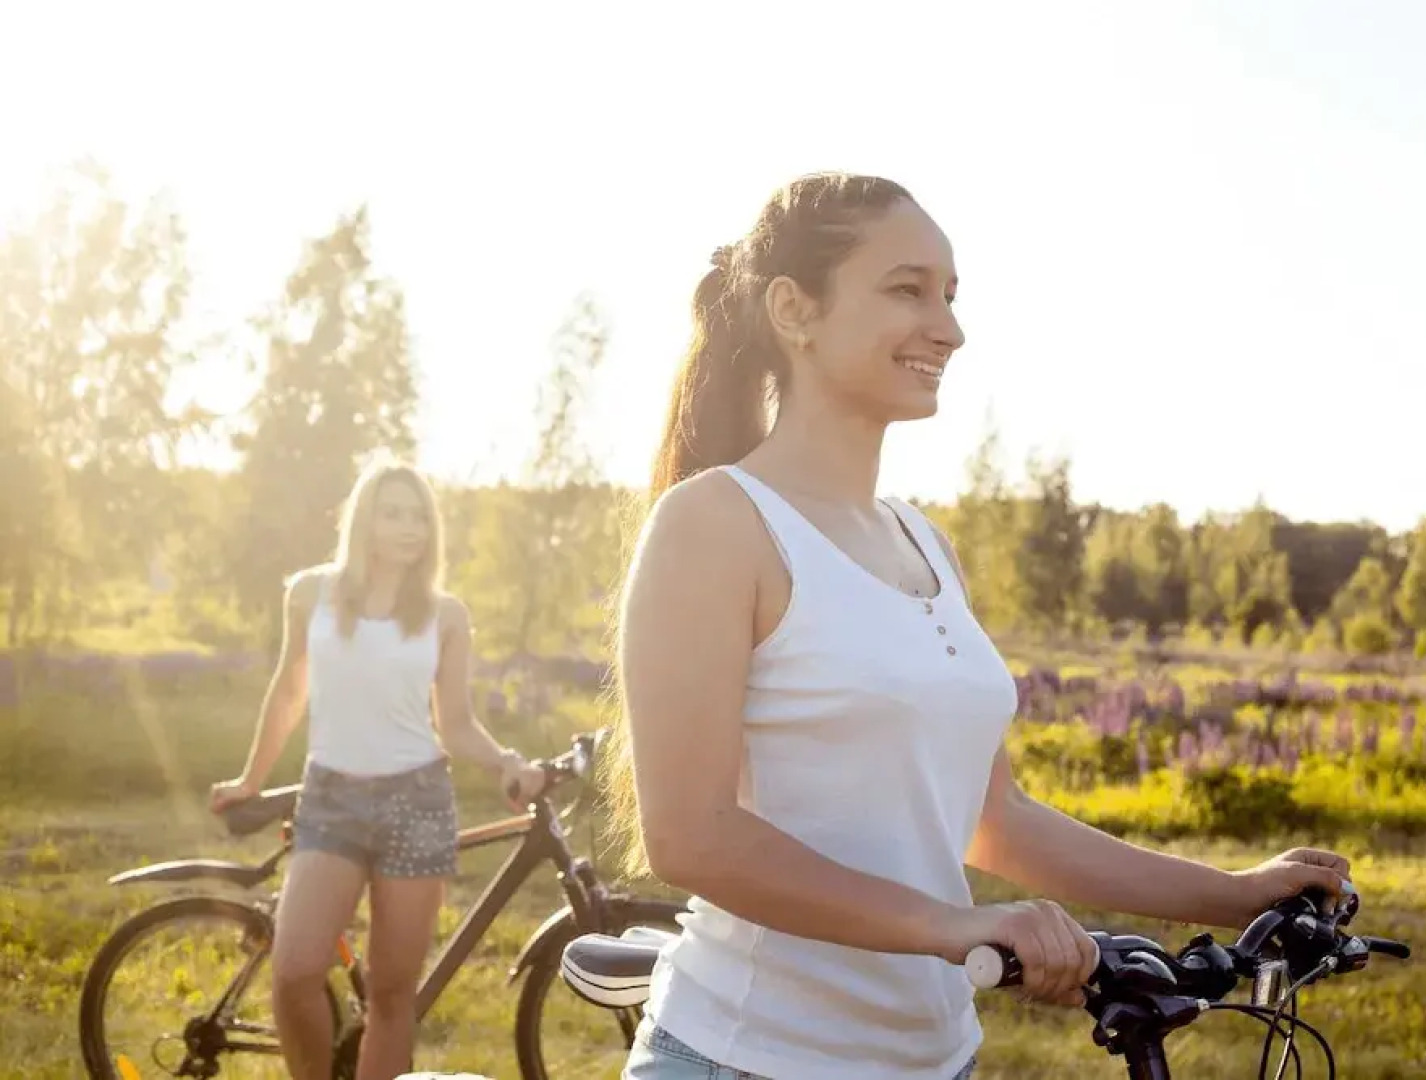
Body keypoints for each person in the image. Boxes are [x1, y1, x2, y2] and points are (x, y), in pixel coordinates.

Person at [602, 172, 1353, 1080]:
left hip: (935, 1057)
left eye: (950, 295)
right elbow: (692, 835)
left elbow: (993, 821)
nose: (948, 328)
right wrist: (958, 927)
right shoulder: (714, 522)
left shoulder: (924, 542)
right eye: (906, 289)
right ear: (794, 310)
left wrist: (1230, 894)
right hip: (748, 1057)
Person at [209, 458, 547, 1080]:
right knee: (295, 972)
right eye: (393, 512)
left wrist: (507, 762)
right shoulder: (311, 593)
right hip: (331, 798)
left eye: (419, 515)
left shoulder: (446, 615)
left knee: (393, 995)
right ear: (365, 518)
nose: (408, 527)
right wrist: (250, 780)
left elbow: (456, 722)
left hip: (417, 804)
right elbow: (289, 692)